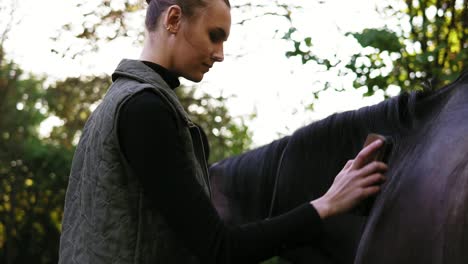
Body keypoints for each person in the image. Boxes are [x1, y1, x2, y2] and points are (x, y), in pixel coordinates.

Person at [58, 0, 388, 263]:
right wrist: (327, 204)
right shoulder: (145, 110)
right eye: (214, 35)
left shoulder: (114, 106)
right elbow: (220, 249)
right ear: (173, 19)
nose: (220, 54)